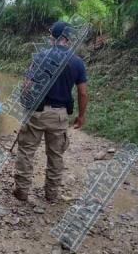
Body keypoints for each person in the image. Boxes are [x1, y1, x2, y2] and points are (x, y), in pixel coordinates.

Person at [13, 21, 89, 202]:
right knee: (56, 155)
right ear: (67, 39)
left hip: (37, 112)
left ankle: (22, 191)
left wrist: (25, 104)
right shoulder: (77, 62)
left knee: (26, 151)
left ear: (53, 37)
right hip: (60, 115)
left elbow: (27, 85)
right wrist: (81, 116)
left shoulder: (40, 56)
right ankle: (51, 194)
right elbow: (83, 92)